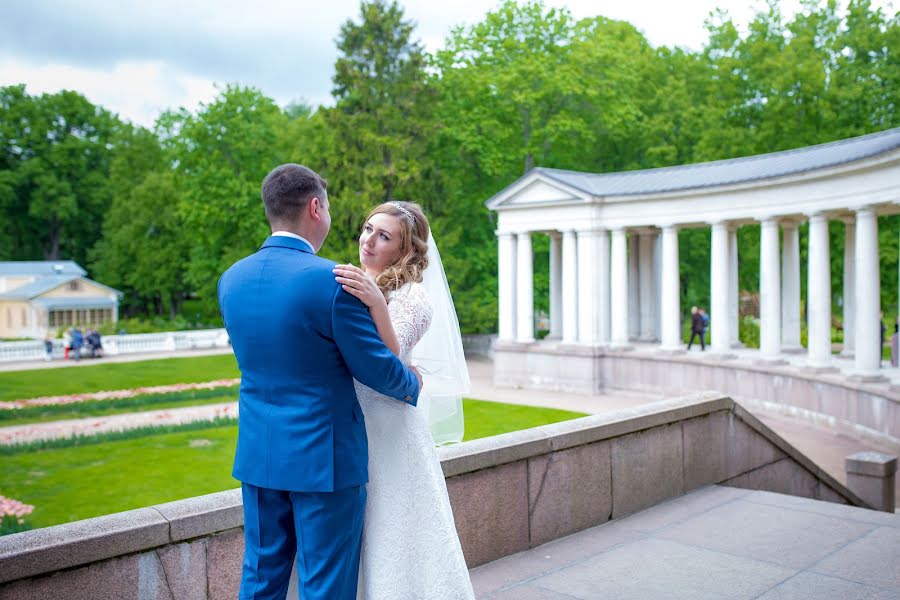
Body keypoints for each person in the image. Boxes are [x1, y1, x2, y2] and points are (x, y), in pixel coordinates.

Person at [217, 164, 422, 600]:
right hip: (324, 459)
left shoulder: (230, 279)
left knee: (260, 576)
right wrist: (413, 382)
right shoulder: (333, 282)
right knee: (324, 584)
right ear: (316, 208)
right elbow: (378, 370)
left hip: (258, 452)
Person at [334, 201, 475, 599]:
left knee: (393, 525)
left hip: (390, 429)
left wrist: (378, 303)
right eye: (367, 228)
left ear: (405, 248)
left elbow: (388, 363)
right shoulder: (348, 281)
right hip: (348, 423)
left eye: (384, 236)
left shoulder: (413, 298)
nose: (368, 240)